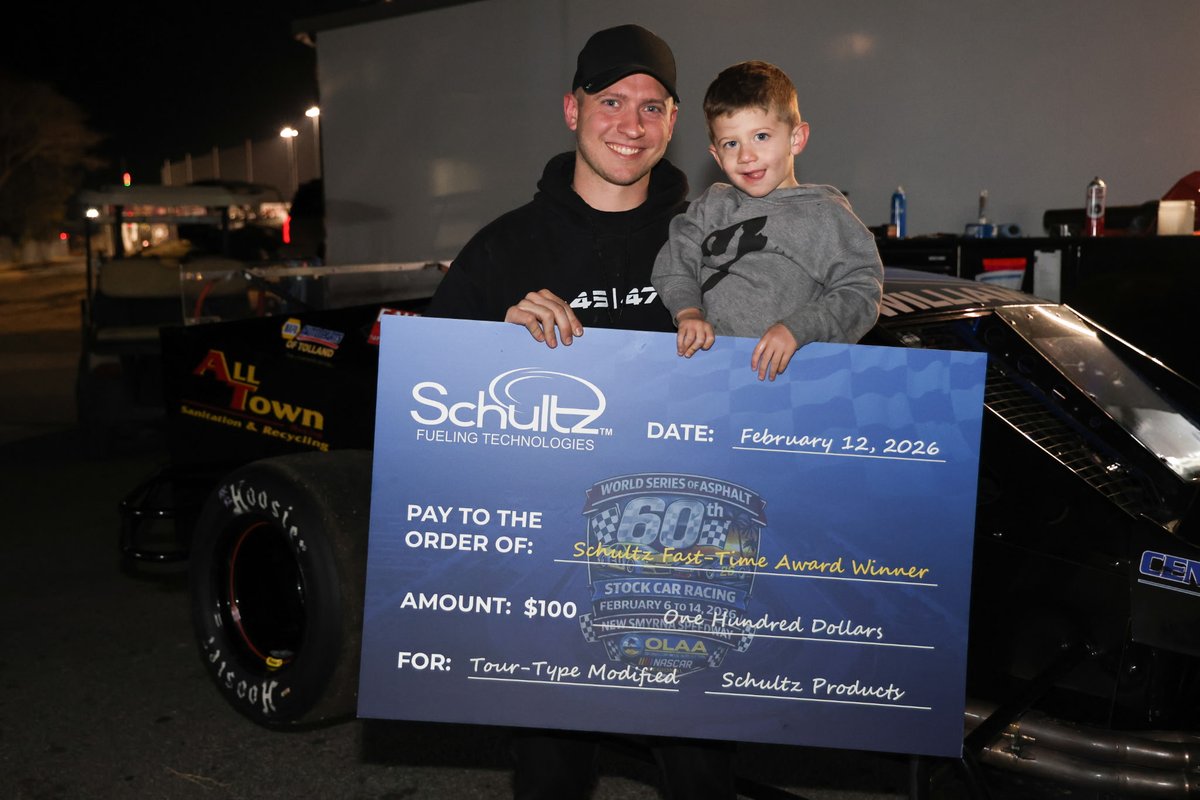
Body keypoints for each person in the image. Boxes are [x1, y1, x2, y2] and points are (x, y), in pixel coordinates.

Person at [424, 23, 737, 800]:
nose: (630, 125)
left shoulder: (722, 243)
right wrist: (490, 347)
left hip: (687, 556)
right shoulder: (501, 251)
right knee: (551, 772)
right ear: (572, 110)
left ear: (673, 123)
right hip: (547, 561)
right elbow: (422, 409)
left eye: (653, 106)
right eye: (610, 100)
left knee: (701, 772)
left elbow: (796, 375)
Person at [651, 60, 883, 380]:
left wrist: (797, 330)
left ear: (796, 139)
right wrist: (688, 311)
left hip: (784, 383)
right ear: (717, 156)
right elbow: (674, 261)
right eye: (731, 143)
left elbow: (861, 290)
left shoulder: (823, 215)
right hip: (706, 375)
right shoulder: (711, 207)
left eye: (761, 136)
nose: (746, 156)